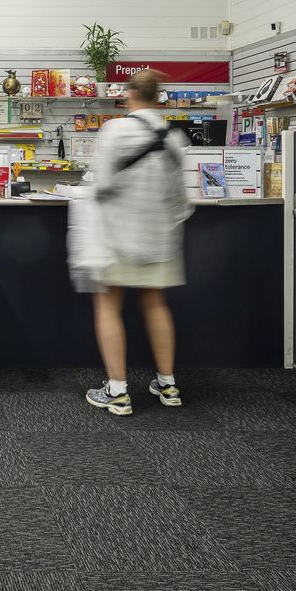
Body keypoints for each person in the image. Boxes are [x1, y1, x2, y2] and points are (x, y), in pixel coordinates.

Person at [82, 69, 194, 417]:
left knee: (108, 307)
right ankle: (168, 385)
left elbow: (100, 184)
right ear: (157, 97)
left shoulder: (115, 131)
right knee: (156, 304)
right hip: (160, 238)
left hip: (118, 235)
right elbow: (182, 199)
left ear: (129, 94)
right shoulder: (174, 137)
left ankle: (118, 392)